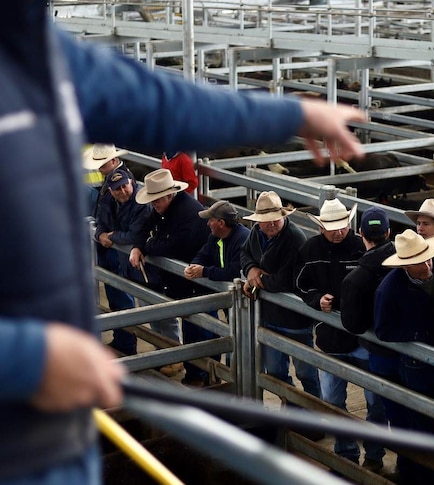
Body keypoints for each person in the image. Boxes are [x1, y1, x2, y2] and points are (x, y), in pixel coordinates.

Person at [1, 2, 365, 481]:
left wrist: (289, 114)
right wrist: (29, 357)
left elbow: (161, 101)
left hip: (57, 430)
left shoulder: (35, 51)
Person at [295, 198, 381, 468]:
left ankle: (375, 456)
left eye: (342, 225)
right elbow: (299, 284)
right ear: (321, 227)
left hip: (362, 339)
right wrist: (317, 299)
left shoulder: (362, 247)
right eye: (332, 227)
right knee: (332, 401)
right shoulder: (310, 249)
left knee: (375, 402)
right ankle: (346, 455)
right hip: (331, 338)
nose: (338, 231)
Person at [375, 230, 434, 484]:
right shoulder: (389, 290)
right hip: (418, 368)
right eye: (420, 261)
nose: (428, 264)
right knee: (423, 426)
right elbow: (383, 330)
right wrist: (417, 334)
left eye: (428, 257)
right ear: (405, 264)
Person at [130, 169, 210, 384]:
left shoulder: (187, 214)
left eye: (156, 200)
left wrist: (147, 245)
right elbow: (145, 226)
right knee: (194, 325)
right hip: (185, 278)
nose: (153, 204)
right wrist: (138, 246)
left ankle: (199, 375)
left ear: (169, 195)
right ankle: (198, 372)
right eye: (152, 200)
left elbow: (171, 247)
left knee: (198, 328)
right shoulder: (167, 207)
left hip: (198, 280)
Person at [240, 192, 321, 400]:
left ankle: (317, 415)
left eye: (275, 219)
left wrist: (257, 281)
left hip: (295, 319)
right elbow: (244, 253)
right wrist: (251, 270)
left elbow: (285, 280)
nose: (271, 224)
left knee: (306, 373)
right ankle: (293, 408)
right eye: (266, 221)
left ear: (283, 216)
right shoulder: (256, 233)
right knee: (275, 371)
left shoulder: (295, 238)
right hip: (269, 316)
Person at [339, 207, 394, 473]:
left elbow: (352, 324)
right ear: (389, 233)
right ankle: (395, 461)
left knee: (378, 403)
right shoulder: (409, 263)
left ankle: (375, 457)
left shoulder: (356, 278)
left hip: (376, 350)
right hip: (410, 352)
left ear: (360, 234)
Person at [183, 200, 251, 375]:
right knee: (232, 336)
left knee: (241, 340)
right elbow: (203, 253)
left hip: (245, 301)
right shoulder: (215, 236)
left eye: (210, 219)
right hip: (231, 299)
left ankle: (235, 380)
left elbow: (234, 271)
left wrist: (204, 271)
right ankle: (227, 377)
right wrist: (194, 265)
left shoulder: (243, 238)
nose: (207, 223)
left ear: (221, 223)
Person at [94, 168, 153, 356]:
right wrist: (99, 234)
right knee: (115, 298)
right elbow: (100, 221)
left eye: (125, 186)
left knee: (145, 304)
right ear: (110, 190)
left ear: (131, 183)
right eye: (117, 189)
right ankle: (122, 342)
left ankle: (131, 347)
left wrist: (112, 236)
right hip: (114, 256)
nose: (123, 191)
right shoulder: (107, 199)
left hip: (134, 259)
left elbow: (136, 233)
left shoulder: (141, 202)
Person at [83, 143, 133, 219]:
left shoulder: (123, 179)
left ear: (113, 161)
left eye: (102, 165)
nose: (99, 169)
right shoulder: (111, 175)